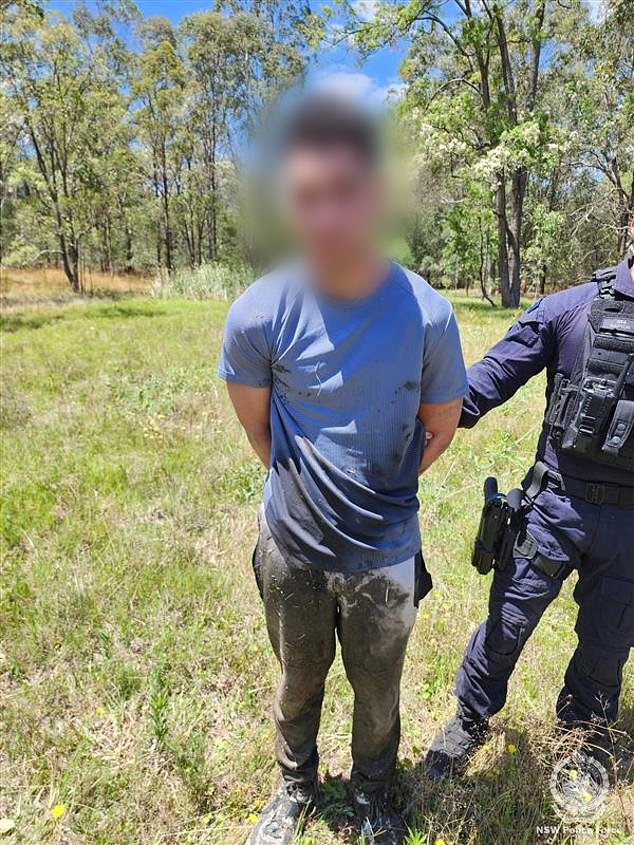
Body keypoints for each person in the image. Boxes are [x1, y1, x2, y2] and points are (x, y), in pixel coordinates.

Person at [218, 93, 468, 844]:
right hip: (291, 550)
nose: (328, 216)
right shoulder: (259, 312)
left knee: (378, 691)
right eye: (308, 197)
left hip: (386, 555)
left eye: (345, 194)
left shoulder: (428, 314)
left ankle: (373, 795)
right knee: (298, 680)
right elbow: (258, 428)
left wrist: (375, 501)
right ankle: (295, 788)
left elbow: (440, 425)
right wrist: (309, 497)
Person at [425, 250, 634, 781]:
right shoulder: (568, 310)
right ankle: (469, 721)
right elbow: (483, 384)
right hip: (554, 509)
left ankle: (584, 742)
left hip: (630, 529)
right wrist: (405, 412)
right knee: (507, 626)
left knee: (608, 646)